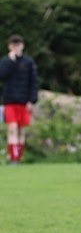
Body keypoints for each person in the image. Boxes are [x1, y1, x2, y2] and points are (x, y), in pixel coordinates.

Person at [0, 34, 38, 165]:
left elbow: (33, 82)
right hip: (10, 101)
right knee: (12, 128)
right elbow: (2, 76)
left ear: (22, 45)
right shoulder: (5, 62)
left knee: (21, 130)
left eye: (18, 44)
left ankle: (18, 157)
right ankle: (13, 158)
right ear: (9, 46)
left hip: (24, 101)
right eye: (13, 45)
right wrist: (11, 62)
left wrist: (32, 100)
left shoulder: (28, 63)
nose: (16, 47)